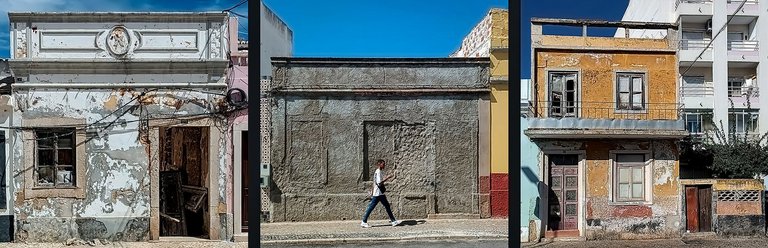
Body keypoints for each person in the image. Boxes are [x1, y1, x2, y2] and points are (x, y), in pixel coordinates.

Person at [360, 159, 401, 228]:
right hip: (378, 194)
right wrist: (387, 178)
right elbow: (379, 183)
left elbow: (374, 183)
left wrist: (372, 192)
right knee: (371, 207)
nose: (384, 165)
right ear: (379, 164)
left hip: (379, 193)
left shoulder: (378, 172)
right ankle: (364, 221)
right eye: (383, 164)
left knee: (386, 206)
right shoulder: (378, 172)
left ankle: (393, 221)